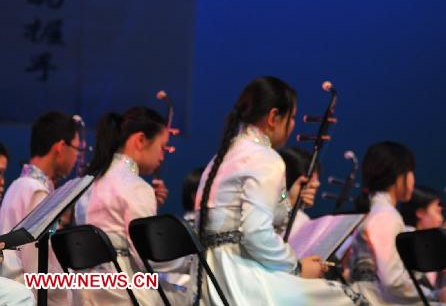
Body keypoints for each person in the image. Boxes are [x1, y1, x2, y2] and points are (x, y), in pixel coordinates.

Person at [195, 76, 367, 305]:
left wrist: (286, 194)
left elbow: (270, 213)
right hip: (241, 279)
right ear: (274, 117)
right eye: (292, 117)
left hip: (209, 278)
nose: (294, 124)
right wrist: (296, 266)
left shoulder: (220, 158)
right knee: (343, 297)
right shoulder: (266, 158)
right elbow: (255, 233)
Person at [75, 106, 177, 305]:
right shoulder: (137, 188)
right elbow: (148, 256)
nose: (162, 156)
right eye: (162, 147)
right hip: (124, 293)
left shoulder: (87, 184)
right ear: (140, 140)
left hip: (84, 292)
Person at [348, 142, 446, 305]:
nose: (413, 178)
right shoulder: (385, 216)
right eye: (410, 172)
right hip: (375, 299)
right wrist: (433, 295)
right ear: (399, 175)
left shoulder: (379, 212)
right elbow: (393, 281)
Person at [0, 112, 80, 306]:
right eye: (76, 149)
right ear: (60, 147)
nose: (77, 156)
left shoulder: (23, 185)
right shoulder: (34, 190)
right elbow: (37, 265)